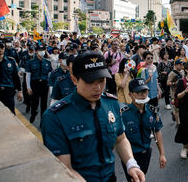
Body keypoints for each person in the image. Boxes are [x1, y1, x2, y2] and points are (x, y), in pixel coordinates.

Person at [41, 51, 145, 182]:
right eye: (90, 82)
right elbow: (64, 167)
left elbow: (121, 139)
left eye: (101, 81)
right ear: (74, 80)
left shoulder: (111, 104)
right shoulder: (55, 117)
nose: (98, 88)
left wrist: (131, 164)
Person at [120, 78, 166, 180]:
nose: (143, 95)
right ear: (130, 95)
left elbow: (157, 132)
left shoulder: (152, 111)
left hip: (146, 153)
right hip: (130, 156)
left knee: (142, 176)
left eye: (145, 91)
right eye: (139, 92)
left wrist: (162, 154)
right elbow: (118, 139)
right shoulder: (123, 114)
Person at [0, 38, 22, 114]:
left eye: (1, 46)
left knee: (11, 114)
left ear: (4, 48)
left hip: (8, 92)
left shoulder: (11, 61)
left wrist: (19, 91)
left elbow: (15, 77)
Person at [26, 44, 52, 123]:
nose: (41, 52)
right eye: (40, 51)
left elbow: (49, 75)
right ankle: (33, 113)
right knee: (34, 102)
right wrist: (28, 87)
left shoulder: (47, 62)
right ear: (36, 52)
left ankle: (42, 120)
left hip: (44, 84)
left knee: (44, 104)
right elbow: (28, 75)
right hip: (35, 84)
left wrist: (50, 88)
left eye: (43, 50)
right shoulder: (31, 62)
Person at [167, 58, 184, 125]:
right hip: (174, 93)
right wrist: (175, 83)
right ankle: (178, 123)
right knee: (177, 109)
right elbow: (168, 83)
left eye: (182, 64)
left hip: (181, 92)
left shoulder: (182, 72)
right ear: (176, 65)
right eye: (180, 65)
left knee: (181, 108)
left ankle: (175, 114)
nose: (181, 66)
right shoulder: (172, 73)